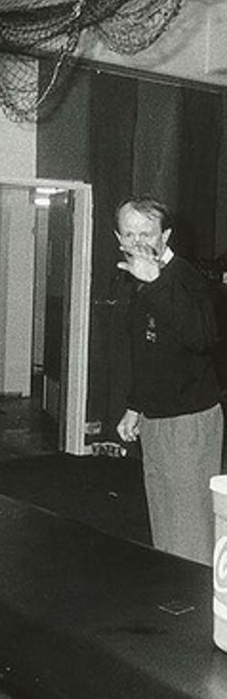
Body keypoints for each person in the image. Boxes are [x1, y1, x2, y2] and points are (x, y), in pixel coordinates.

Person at [114, 196, 224, 565]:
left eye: (146, 233)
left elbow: (202, 337)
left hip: (188, 420)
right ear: (118, 238)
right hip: (156, 418)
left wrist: (157, 282)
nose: (137, 242)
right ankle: (174, 598)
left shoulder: (183, 277)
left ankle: (197, 610)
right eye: (129, 234)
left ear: (166, 235)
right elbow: (150, 352)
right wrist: (135, 406)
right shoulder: (140, 281)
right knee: (165, 520)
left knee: (190, 528)